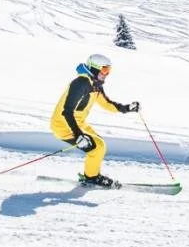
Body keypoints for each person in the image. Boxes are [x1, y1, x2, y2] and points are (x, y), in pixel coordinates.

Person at [49, 52, 139, 188]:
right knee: (97, 148)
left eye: (108, 70)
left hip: (78, 123)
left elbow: (107, 103)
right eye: (104, 70)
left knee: (100, 145)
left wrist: (126, 108)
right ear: (94, 69)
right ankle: (91, 177)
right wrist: (78, 135)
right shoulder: (80, 83)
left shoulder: (95, 85)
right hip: (63, 124)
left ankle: (91, 174)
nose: (106, 74)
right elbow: (67, 112)